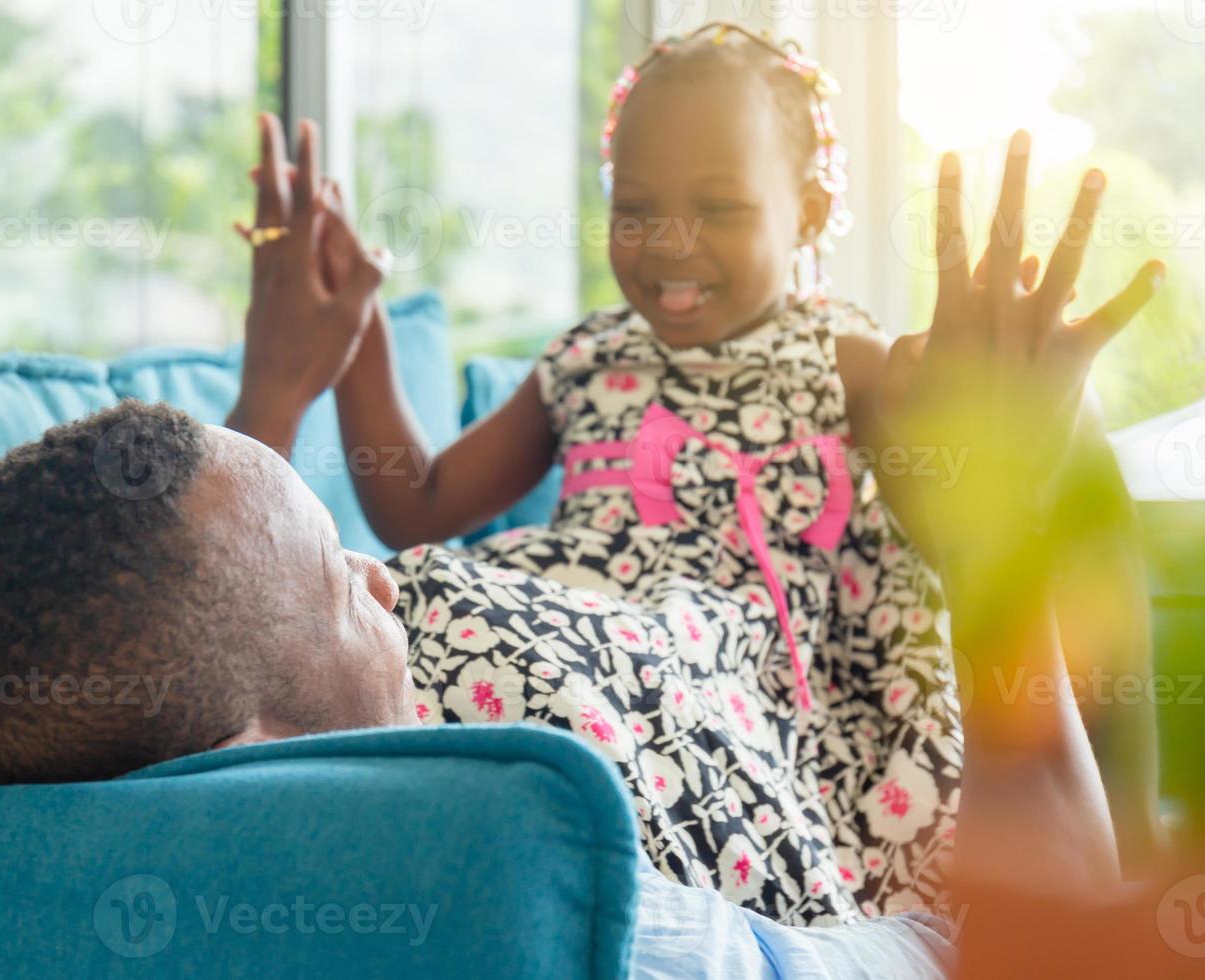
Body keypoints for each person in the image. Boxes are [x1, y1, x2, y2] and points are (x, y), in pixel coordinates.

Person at [315, 21, 1163, 925]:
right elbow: (423, 503)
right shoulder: (586, 358)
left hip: (755, 687)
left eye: (717, 209)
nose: (669, 243)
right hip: (591, 624)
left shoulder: (850, 361)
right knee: (410, 599)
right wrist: (360, 336)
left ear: (804, 211)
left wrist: (985, 423)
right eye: (636, 210)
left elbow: (940, 508)